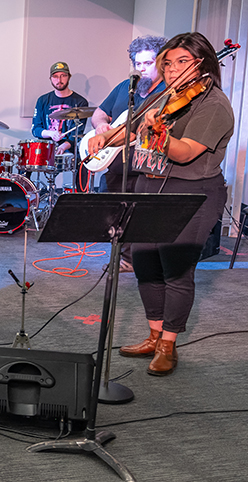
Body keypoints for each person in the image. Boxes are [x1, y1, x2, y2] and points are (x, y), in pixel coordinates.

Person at [87, 32, 234, 376]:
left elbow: (184, 152)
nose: (171, 70)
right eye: (166, 63)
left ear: (202, 62)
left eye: (181, 62)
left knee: (176, 269)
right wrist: (104, 136)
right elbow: (132, 129)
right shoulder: (164, 98)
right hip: (149, 185)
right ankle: (154, 334)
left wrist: (159, 134)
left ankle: (169, 344)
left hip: (191, 193)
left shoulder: (214, 104)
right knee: (144, 262)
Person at [88, 35, 167, 272]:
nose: (142, 69)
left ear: (161, 62)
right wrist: (101, 125)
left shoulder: (166, 91)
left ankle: (134, 259)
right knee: (114, 212)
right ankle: (122, 257)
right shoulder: (126, 87)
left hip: (145, 165)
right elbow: (99, 113)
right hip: (115, 163)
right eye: (138, 64)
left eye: (148, 63)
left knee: (139, 214)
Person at [31, 61, 89, 156]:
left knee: (79, 164)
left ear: (69, 77)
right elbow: (35, 129)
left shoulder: (80, 102)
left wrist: (63, 146)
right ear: (50, 79)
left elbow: (77, 133)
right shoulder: (42, 100)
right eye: (55, 76)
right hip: (45, 148)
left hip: (67, 149)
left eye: (63, 75)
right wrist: (50, 133)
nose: (59, 80)